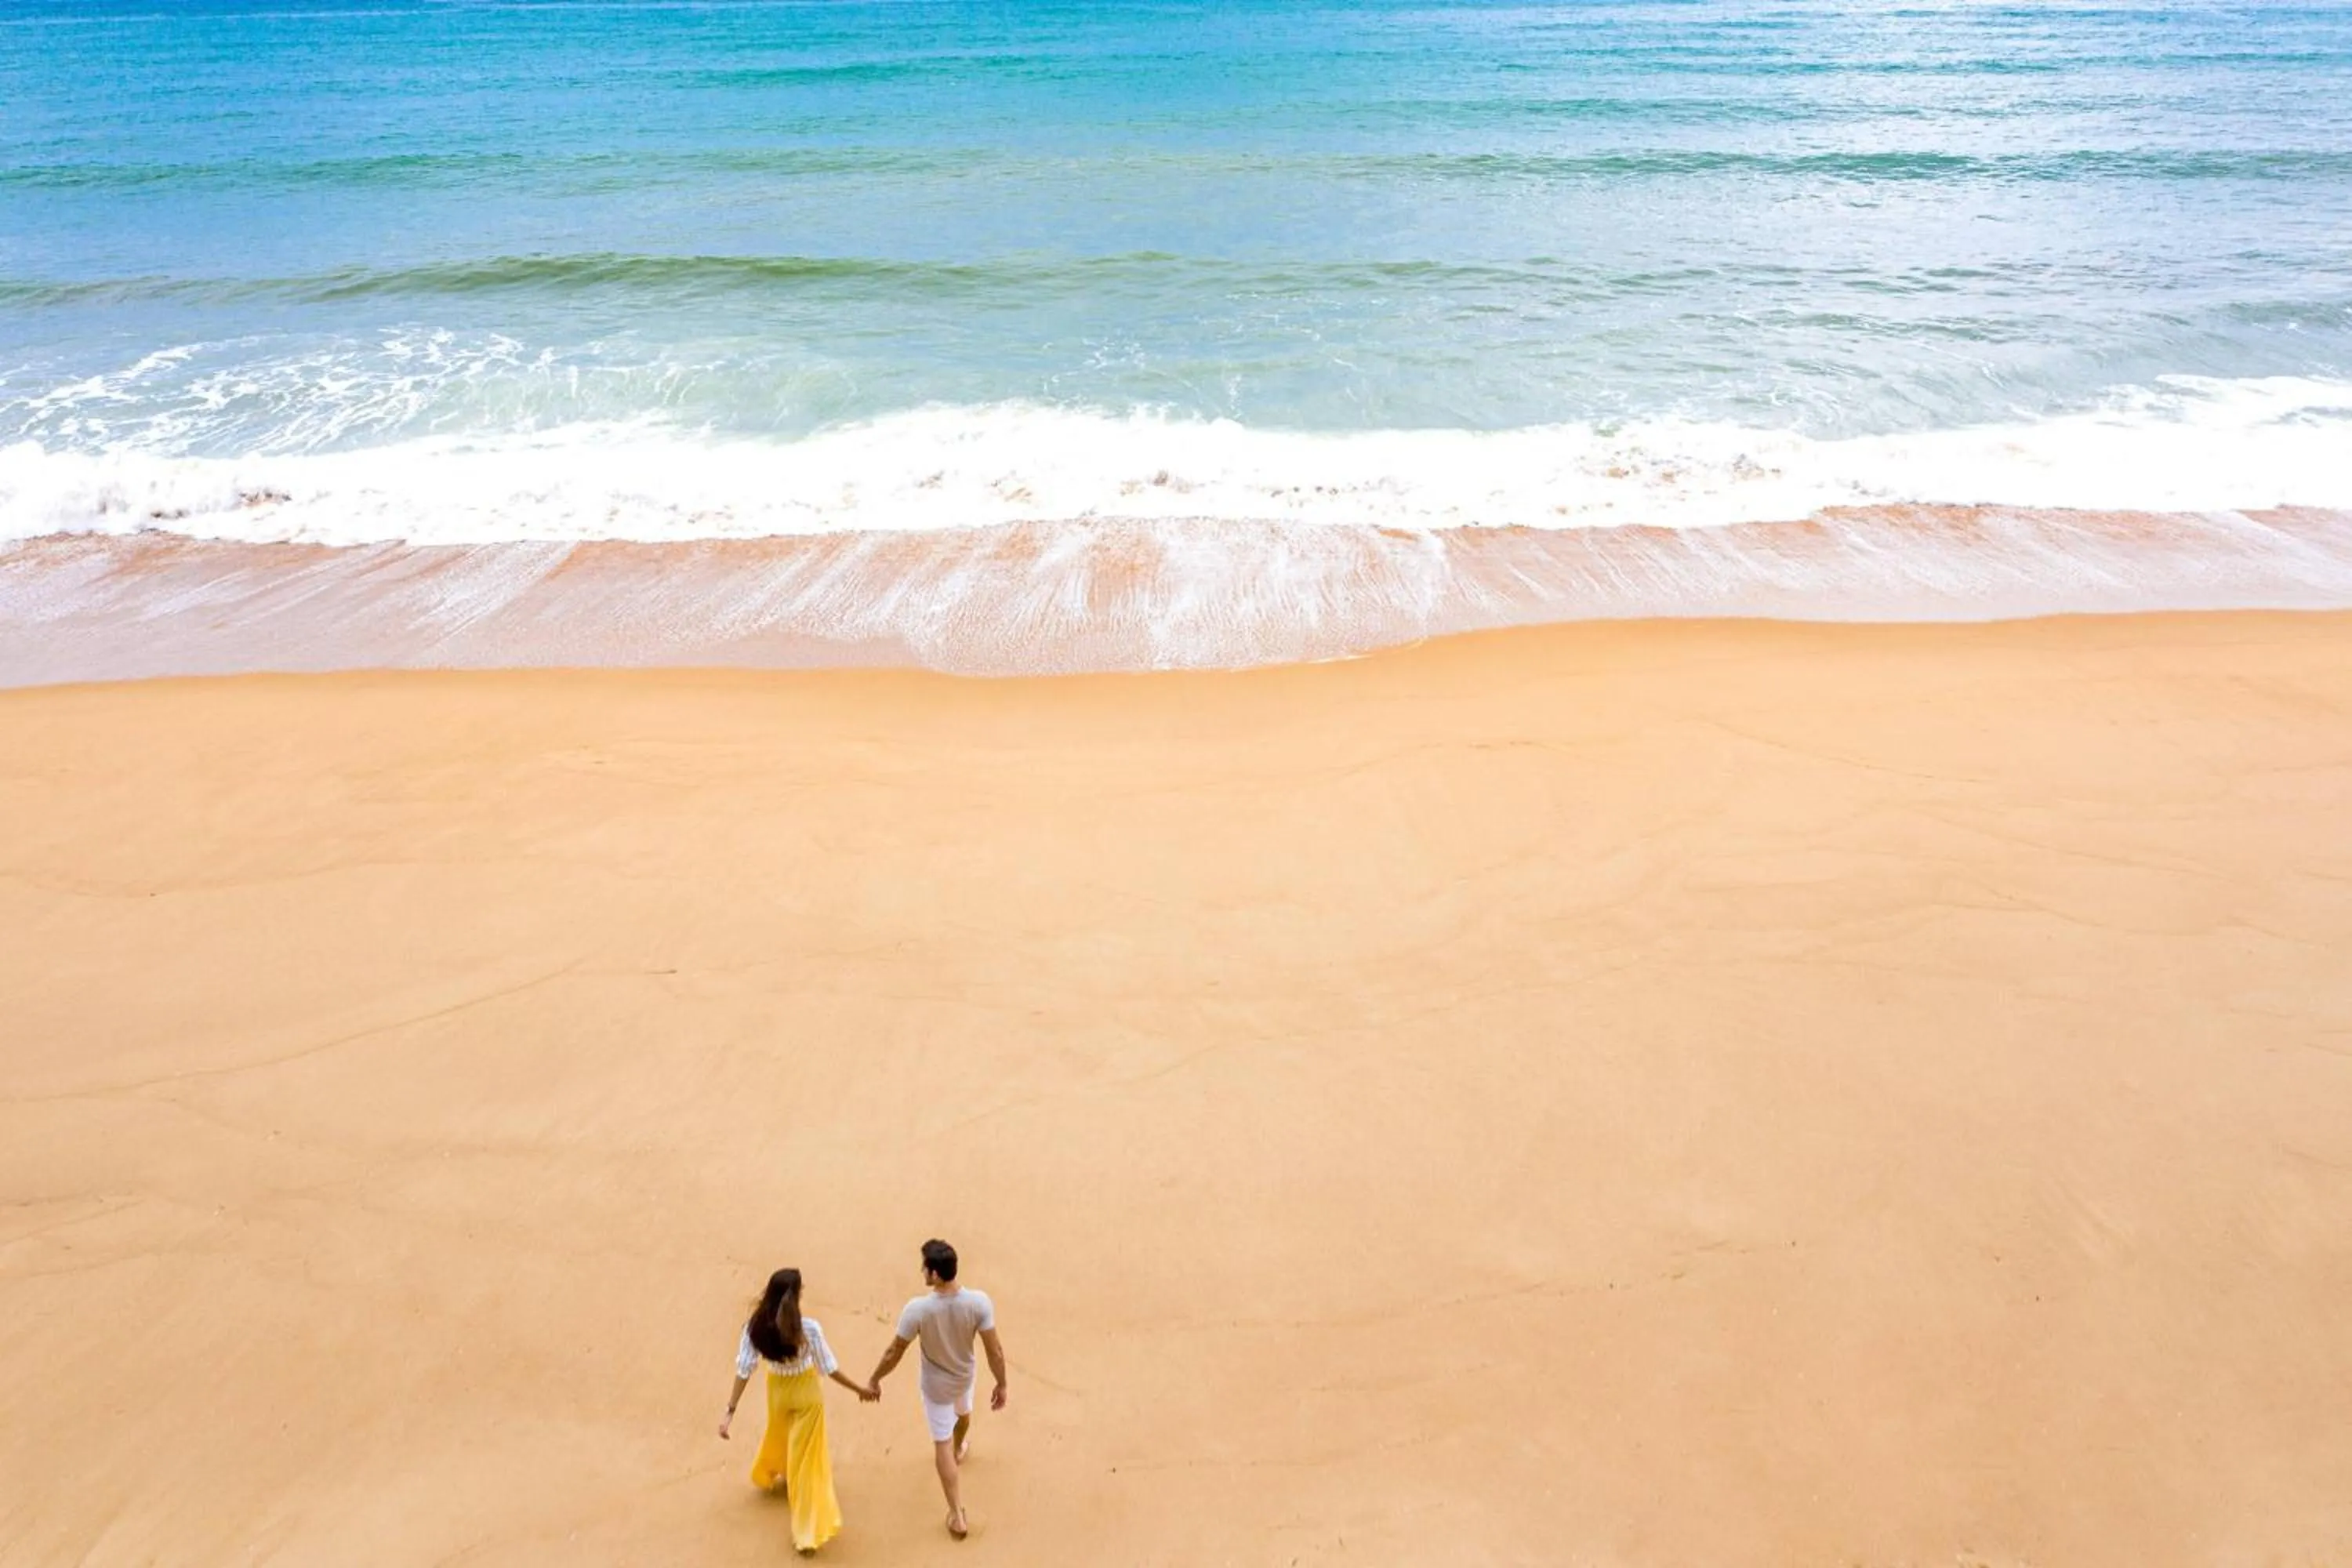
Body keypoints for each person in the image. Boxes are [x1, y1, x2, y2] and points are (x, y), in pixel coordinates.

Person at [719, 1267, 877, 1555]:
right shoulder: (809, 1330)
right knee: (808, 1462)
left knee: (778, 1433)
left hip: (777, 1392)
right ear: (798, 1295)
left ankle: (771, 1470)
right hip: (807, 1395)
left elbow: (744, 1369)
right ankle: (807, 1532)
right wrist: (860, 1390)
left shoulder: (754, 1328)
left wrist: (730, 1410)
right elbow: (829, 1368)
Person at [866, 1238, 1007, 1540]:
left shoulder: (918, 1310)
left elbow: (894, 1352)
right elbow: (995, 1351)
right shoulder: (979, 1302)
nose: (922, 1272)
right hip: (964, 1378)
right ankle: (960, 1448)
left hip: (935, 1388)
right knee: (964, 1413)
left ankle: (957, 1515)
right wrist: (1002, 1383)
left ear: (935, 1275)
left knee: (940, 1444)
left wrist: (875, 1378)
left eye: (925, 1268)